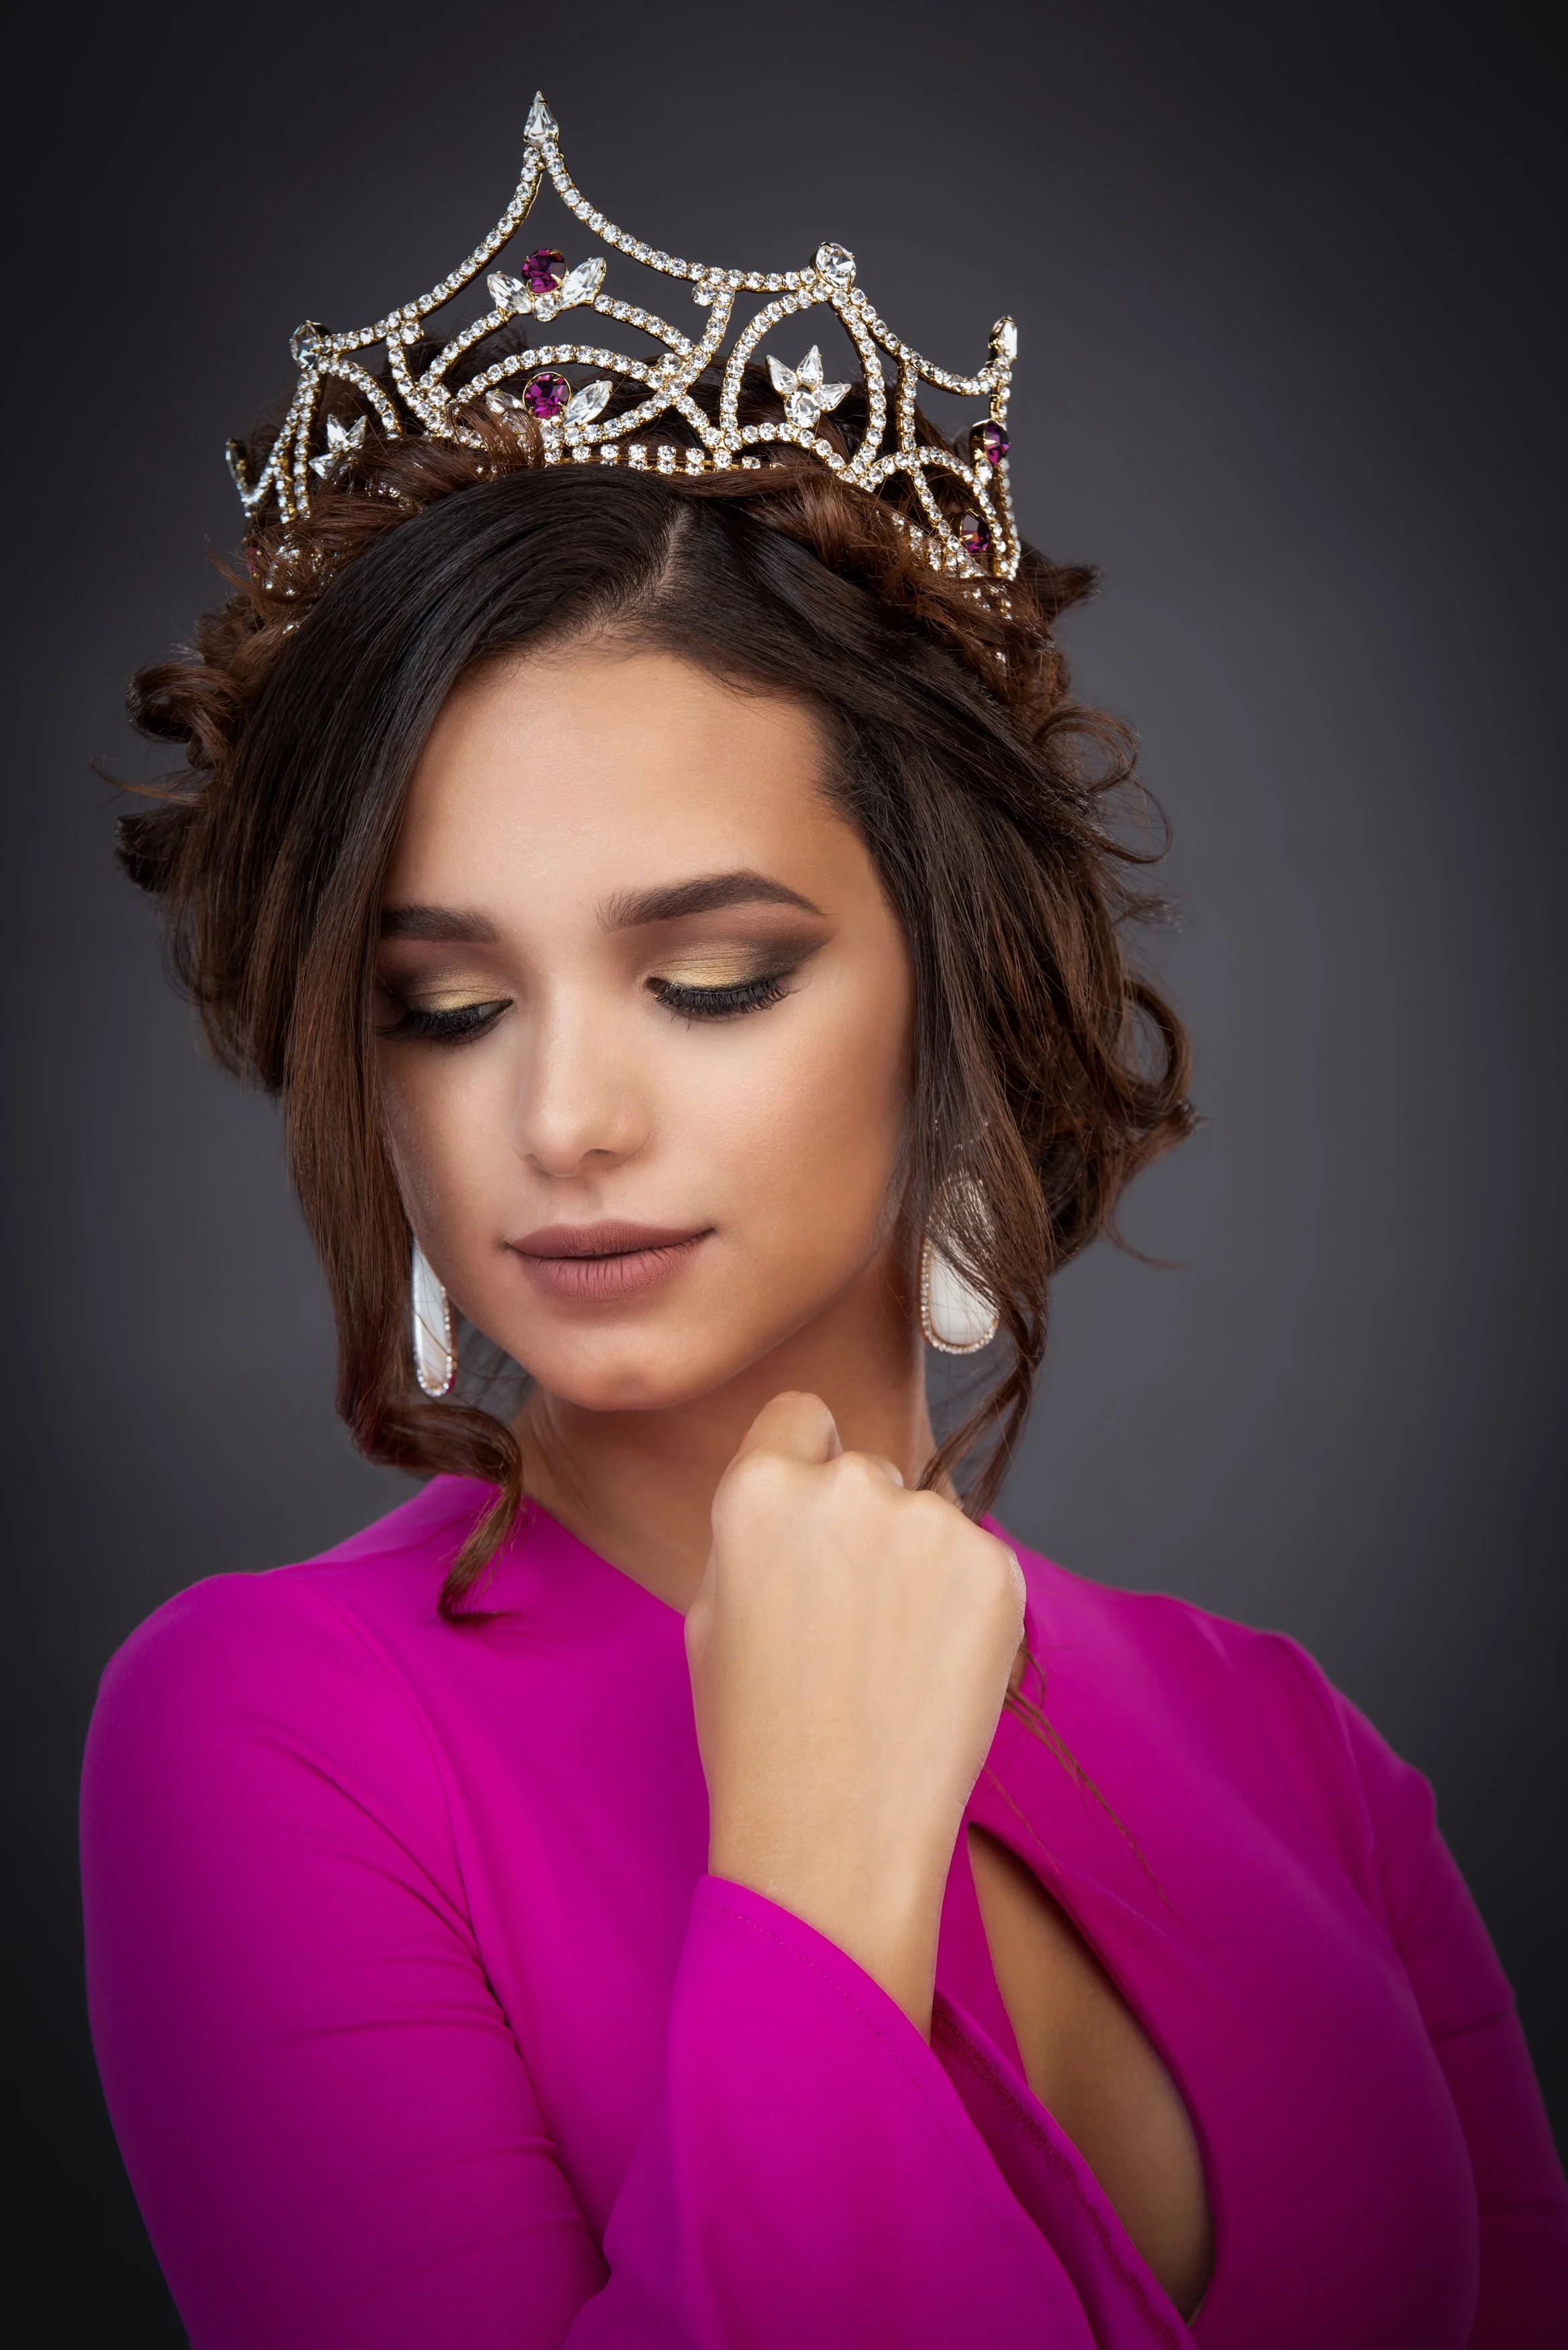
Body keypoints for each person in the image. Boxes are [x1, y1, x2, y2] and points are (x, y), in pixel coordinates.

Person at [80, 95, 1565, 2350]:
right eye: (449, 1006)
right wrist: (809, 1869)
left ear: (945, 986)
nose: (562, 1116)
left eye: (709, 980)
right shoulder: (265, 1738)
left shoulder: (1295, 1749)